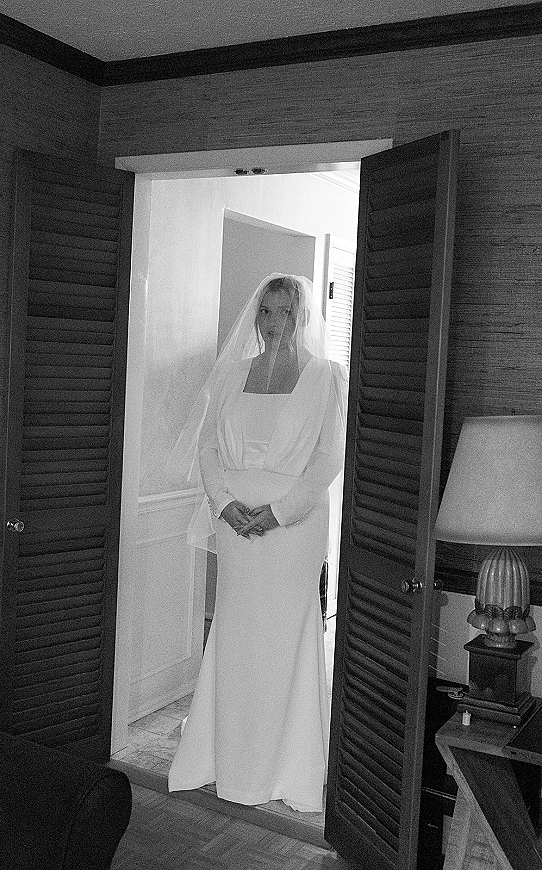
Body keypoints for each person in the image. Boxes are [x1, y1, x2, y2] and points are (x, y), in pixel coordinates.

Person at [167, 273, 348, 812]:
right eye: (266, 311)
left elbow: (329, 457)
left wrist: (279, 513)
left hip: (292, 530)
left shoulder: (327, 377)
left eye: (285, 312)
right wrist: (224, 504)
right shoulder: (231, 375)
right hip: (234, 525)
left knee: (285, 636)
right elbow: (207, 447)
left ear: (302, 317)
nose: (274, 323)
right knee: (236, 632)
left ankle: (290, 768)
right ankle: (223, 758)